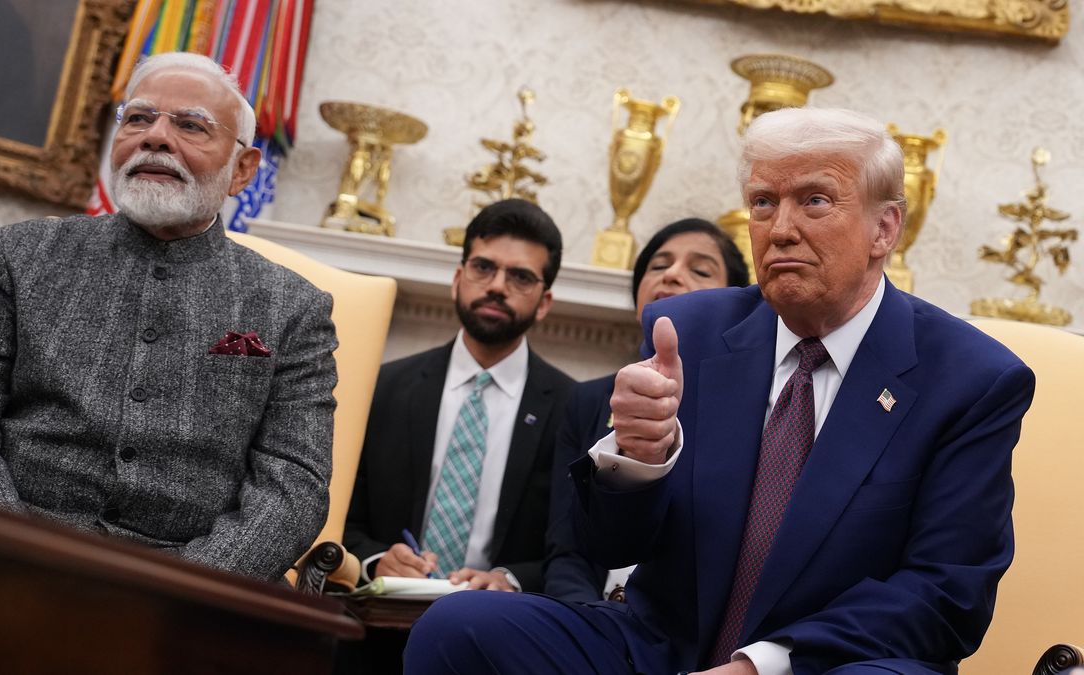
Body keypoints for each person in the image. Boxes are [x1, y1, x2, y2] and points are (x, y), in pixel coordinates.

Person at [404, 107, 1036, 675]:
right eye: (763, 202)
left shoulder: (970, 379)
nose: (780, 228)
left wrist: (761, 666)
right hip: (659, 650)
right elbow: (610, 548)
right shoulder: (696, 332)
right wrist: (638, 460)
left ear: (884, 229)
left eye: (815, 201)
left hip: (828, 663)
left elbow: (947, 595)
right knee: (460, 629)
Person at [0, 52, 337, 582]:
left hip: (188, 598)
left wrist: (179, 589)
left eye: (191, 125)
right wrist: (15, 553)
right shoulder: (15, 257)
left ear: (242, 169)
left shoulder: (294, 308)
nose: (155, 137)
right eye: (139, 119)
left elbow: (292, 486)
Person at [344, 198, 575, 594]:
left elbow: (576, 547)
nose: (498, 287)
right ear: (457, 279)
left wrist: (511, 579)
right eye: (484, 268)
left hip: (500, 634)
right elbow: (338, 514)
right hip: (375, 619)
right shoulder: (383, 387)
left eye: (520, 277)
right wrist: (375, 560)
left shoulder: (572, 407)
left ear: (544, 303)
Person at [545, 218, 749, 604]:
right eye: (658, 265)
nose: (671, 275)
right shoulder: (588, 401)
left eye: (699, 270)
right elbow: (567, 551)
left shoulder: (750, 408)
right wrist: (587, 623)